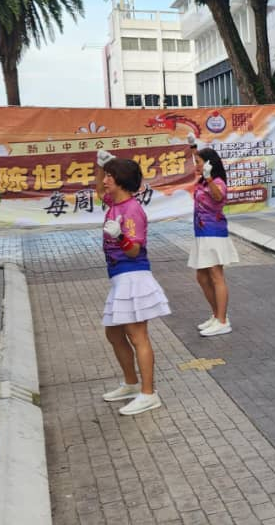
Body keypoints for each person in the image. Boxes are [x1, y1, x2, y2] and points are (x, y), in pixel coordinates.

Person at [95, 150, 171, 416]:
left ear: (122, 181)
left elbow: (134, 250)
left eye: (110, 176)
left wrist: (120, 237)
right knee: (114, 333)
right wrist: (100, 165)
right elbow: (99, 191)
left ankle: (149, 394)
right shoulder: (114, 203)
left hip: (133, 276)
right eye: (106, 175)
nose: (105, 180)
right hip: (119, 277)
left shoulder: (132, 210)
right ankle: (130, 383)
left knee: (138, 336)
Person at [187, 140, 239, 337]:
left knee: (216, 276)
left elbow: (218, 197)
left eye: (199, 162)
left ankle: (223, 321)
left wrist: (208, 178)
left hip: (213, 232)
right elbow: (198, 158)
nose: (196, 165)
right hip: (202, 233)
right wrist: (192, 146)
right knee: (201, 276)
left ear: (209, 164)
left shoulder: (217, 182)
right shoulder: (203, 180)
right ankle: (217, 315)